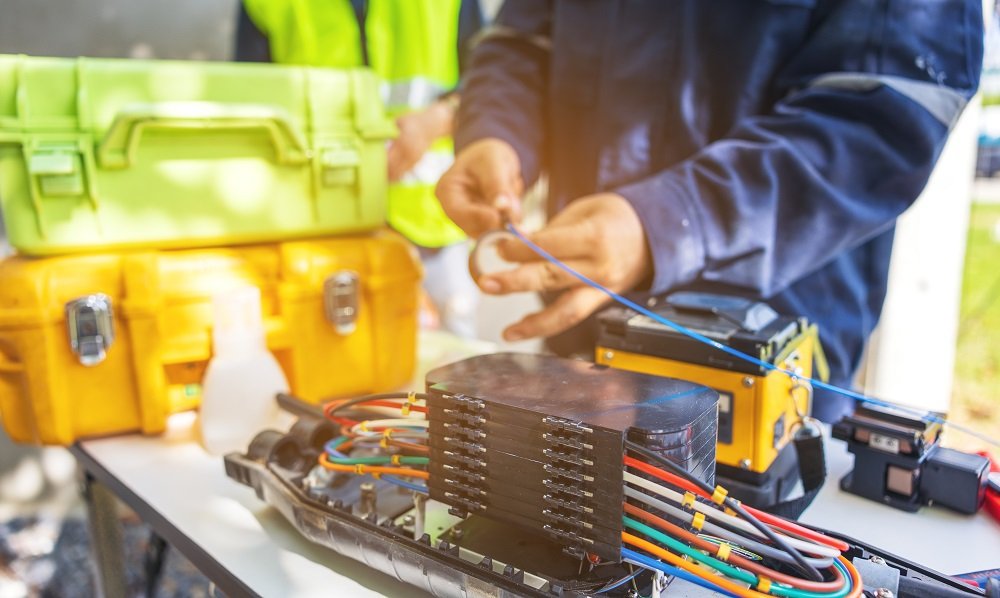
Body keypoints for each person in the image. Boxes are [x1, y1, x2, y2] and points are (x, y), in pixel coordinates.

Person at [436, 1, 984, 422]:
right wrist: (496, 131)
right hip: (581, 348)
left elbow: (882, 116)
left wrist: (667, 227)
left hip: (762, 368)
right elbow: (520, 43)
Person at [235, 0, 483, 338]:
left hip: (432, 229)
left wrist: (441, 117)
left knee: (453, 366)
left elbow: (492, 74)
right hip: (324, 234)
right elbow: (250, 104)